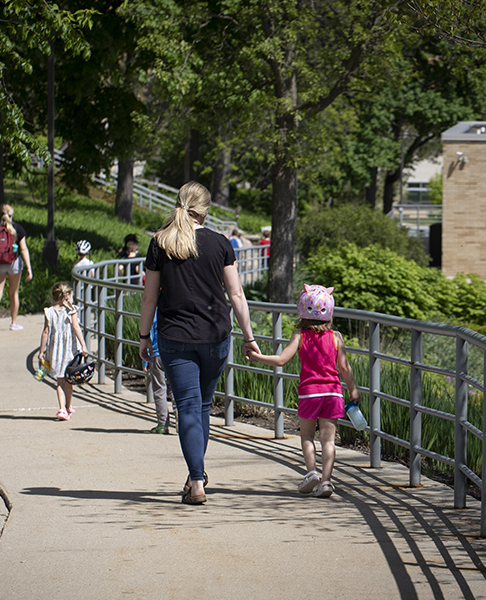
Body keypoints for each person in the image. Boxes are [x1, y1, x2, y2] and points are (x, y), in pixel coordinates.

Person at [139, 181, 259, 505]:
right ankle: (197, 477)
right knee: (203, 407)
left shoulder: (159, 243)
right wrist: (249, 337)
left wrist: (142, 336)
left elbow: (149, 297)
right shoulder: (220, 243)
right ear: (205, 209)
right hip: (216, 335)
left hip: (175, 337)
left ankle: (196, 479)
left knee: (188, 408)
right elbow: (236, 294)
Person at [247, 284, 361, 498]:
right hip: (333, 393)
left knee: (307, 436)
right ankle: (326, 482)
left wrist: (257, 357)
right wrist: (353, 390)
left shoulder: (300, 335)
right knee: (328, 441)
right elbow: (345, 367)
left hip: (309, 393)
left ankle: (311, 473)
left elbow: (281, 360)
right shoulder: (336, 337)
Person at [39, 282, 88, 421]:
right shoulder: (72, 310)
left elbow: (45, 332)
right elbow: (76, 327)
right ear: (68, 296)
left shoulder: (49, 311)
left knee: (60, 381)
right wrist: (83, 345)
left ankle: (61, 409)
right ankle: (68, 406)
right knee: (69, 380)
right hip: (69, 351)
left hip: (55, 350)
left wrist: (41, 351)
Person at [0, 204, 33, 332]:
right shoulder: (17, 229)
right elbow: (23, 249)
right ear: (11, 215)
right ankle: (13, 323)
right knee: (13, 293)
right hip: (14, 263)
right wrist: (29, 267)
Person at [144, 312, 173, 434]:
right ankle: (181, 420)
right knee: (176, 388)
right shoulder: (174, 308)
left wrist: (145, 361)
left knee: (159, 388)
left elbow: (147, 335)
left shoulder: (152, 312)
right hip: (174, 354)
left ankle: (163, 424)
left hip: (156, 354)